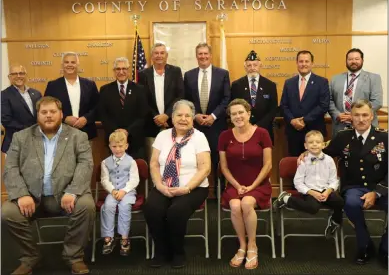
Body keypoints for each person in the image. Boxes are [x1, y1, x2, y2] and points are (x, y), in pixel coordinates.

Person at [1, 96, 95, 275]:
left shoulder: (78, 136)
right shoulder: (21, 137)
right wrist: (21, 195)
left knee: (87, 206)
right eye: (44, 112)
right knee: (7, 213)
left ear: (61, 114)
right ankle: (30, 257)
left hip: (66, 195)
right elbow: (10, 167)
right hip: (31, 196)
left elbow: (86, 165)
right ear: (38, 115)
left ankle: (73, 256)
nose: (48, 116)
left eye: (53, 112)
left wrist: (73, 191)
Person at [299, 99, 387, 266]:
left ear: (372, 116)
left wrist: (376, 192)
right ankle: (365, 245)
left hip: (381, 187)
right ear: (350, 118)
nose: (361, 119)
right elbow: (323, 151)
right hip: (354, 187)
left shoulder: (384, 138)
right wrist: (306, 152)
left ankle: (386, 248)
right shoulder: (343, 137)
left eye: (365, 115)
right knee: (351, 203)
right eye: (356, 115)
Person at [143, 100, 211, 269]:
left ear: (192, 118)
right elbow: (154, 164)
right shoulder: (162, 136)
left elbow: (205, 168)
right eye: (179, 115)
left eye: (187, 115)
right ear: (172, 117)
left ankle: (177, 252)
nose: (183, 119)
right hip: (165, 184)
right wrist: (159, 186)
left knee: (176, 211)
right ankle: (161, 250)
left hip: (193, 187)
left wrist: (186, 188)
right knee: (152, 208)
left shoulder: (199, 137)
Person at [218, 98, 272, 270]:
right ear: (230, 117)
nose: (238, 116)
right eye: (234, 114)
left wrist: (252, 186)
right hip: (235, 184)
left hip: (259, 184)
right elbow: (224, 167)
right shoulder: (224, 136)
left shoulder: (263, 133)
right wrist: (236, 184)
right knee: (235, 205)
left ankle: (252, 246)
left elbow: (268, 164)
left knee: (247, 203)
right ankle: (242, 245)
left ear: (249, 114)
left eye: (241, 112)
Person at [273, 130, 344, 238]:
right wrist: (312, 192)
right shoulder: (303, 161)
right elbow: (298, 182)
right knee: (313, 208)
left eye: (317, 142)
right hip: (310, 191)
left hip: (326, 190)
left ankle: (334, 222)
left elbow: (334, 180)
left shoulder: (329, 160)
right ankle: (286, 199)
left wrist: (328, 191)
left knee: (340, 201)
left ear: (323, 145)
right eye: (311, 142)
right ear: (305, 146)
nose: (314, 144)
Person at [184, 42, 230, 195]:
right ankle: (196, 191)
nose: (203, 56)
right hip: (195, 126)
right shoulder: (189, 75)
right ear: (196, 56)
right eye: (200, 54)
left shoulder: (222, 74)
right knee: (195, 159)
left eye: (205, 54)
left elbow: (226, 98)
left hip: (217, 125)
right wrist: (195, 114)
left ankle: (219, 192)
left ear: (210, 55)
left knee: (218, 159)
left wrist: (213, 116)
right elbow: (186, 100)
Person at [138, 43, 184, 161]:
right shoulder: (143, 74)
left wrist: (166, 115)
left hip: (173, 124)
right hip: (151, 126)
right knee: (153, 162)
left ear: (166, 55)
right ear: (152, 56)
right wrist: (156, 117)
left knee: (173, 162)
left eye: (162, 53)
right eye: (156, 53)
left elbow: (180, 96)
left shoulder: (175, 71)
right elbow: (142, 99)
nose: (159, 56)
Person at [280, 50, 330, 156]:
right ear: (297, 63)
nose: (303, 64)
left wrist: (304, 120)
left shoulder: (322, 82)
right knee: (295, 165)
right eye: (301, 61)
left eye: (306, 61)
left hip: (314, 132)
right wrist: (292, 120)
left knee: (315, 165)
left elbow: (323, 105)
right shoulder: (289, 83)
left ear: (312, 63)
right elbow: (284, 105)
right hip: (293, 132)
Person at [99, 57, 148, 159]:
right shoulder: (105, 90)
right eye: (118, 69)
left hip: (135, 141)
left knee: (136, 172)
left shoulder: (140, 89)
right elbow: (103, 115)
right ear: (114, 71)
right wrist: (116, 131)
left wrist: (127, 131)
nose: (121, 72)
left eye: (124, 69)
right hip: (113, 142)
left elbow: (143, 115)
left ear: (129, 70)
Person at [100, 131, 139, 256]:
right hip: (113, 192)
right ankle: (108, 237)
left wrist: (124, 190)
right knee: (108, 206)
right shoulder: (105, 162)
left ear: (126, 146)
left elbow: (134, 179)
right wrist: (112, 190)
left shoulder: (131, 162)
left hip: (127, 192)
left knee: (124, 207)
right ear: (110, 146)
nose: (117, 149)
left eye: (121, 146)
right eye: (114, 146)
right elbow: (104, 180)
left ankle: (124, 237)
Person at [45, 52, 99, 141]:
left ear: (78, 64)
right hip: (60, 134)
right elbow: (48, 108)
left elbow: (97, 107)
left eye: (73, 62)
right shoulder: (53, 86)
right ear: (62, 65)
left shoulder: (90, 85)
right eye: (66, 62)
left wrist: (86, 118)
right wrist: (65, 118)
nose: (70, 65)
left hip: (86, 134)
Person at [329, 48, 383, 136]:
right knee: (340, 149)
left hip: (365, 126)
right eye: (350, 59)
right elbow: (329, 100)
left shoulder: (374, 78)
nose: (353, 61)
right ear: (346, 61)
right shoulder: (335, 79)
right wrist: (337, 114)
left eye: (357, 59)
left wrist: (356, 116)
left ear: (362, 60)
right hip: (340, 126)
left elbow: (377, 102)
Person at [230, 50, 278, 143]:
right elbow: (233, 108)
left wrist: (258, 126)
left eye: (255, 65)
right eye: (249, 65)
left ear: (260, 66)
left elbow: (273, 109)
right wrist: (247, 125)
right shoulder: (236, 85)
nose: (252, 68)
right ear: (245, 67)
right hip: (242, 130)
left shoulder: (270, 85)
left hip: (264, 130)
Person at [1, 64, 42, 154]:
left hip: (37, 141)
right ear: (9, 77)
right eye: (15, 74)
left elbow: (41, 114)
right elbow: (6, 120)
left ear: (26, 75)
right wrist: (30, 129)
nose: (18, 76)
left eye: (21, 73)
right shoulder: (4, 95)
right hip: (15, 143)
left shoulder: (37, 93)